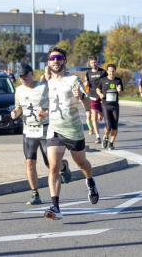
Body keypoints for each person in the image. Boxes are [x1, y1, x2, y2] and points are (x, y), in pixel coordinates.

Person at [38, 46, 99, 220]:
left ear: (64, 60)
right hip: (54, 129)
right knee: (54, 167)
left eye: (58, 58)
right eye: (52, 59)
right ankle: (55, 207)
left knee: (81, 163)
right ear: (49, 62)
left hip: (73, 130)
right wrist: (45, 113)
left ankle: (90, 181)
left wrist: (81, 96)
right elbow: (54, 105)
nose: (55, 61)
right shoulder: (49, 83)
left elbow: (88, 106)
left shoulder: (73, 80)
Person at [11, 64, 72, 205]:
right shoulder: (19, 90)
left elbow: (56, 104)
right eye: (20, 76)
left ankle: (63, 167)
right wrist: (15, 113)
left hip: (45, 131)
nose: (23, 78)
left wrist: (45, 112)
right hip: (28, 131)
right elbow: (19, 106)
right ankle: (35, 193)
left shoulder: (43, 88)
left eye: (25, 75)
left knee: (51, 165)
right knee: (30, 162)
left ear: (32, 74)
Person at [96, 64, 124, 150]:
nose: (111, 73)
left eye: (113, 71)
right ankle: (106, 137)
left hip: (115, 106)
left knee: (115, 126)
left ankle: (111, 143)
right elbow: (98, 89)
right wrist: (100, 94)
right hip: (106, 105)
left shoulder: (118, 80)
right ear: (107, 71)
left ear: (115, 71)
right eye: (110, 71)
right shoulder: (103, 80)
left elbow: (122, 94)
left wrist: (119, 90)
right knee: (108, 126)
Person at [85, 56, 107, 144]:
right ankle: (98, 137)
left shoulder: (103, 72)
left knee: (101, 117)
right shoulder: (88, 73)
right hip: (92, 96)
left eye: (95, 62)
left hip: (101, 97)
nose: (93, 64)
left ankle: (105, 134)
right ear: (89, 64)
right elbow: (87, 84)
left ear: (97, 63)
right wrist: (86, 85)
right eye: (91, 63)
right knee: (93, 117)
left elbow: (106, 82)